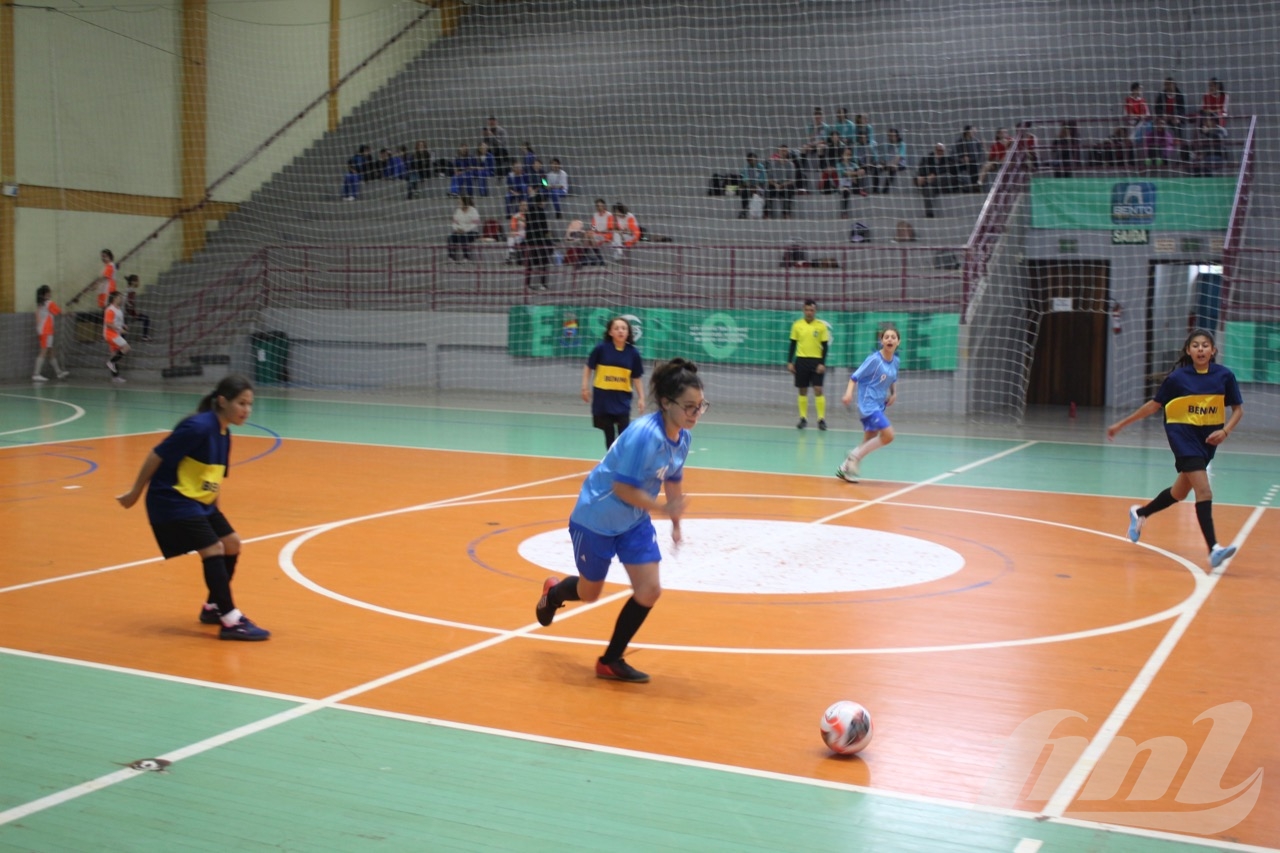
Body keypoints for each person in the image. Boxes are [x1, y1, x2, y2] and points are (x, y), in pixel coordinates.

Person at [535, 358, 706, 683]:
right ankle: (554, 593)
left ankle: (610, 660)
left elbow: (672, 476)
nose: (695, 414)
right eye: (689, 407)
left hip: (633, 520)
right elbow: (623, 487)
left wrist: (676, 521)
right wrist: (661, 511)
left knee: (649, 589)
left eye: (700, 406)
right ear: (667, 403)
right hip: (596, 518)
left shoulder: (682, 437)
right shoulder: (644, 435)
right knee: (590, 593)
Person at [115, 374, 270, 641]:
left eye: (250, 404)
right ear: (222, 401)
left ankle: (212, 607)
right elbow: (157, 454)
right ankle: (231, 620)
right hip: (172, 499)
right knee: (213, 548)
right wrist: (135, 493)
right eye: (242, 403)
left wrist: (215, 516)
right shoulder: (198, 427)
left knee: (231, 542)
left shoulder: (225, 434)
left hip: (200, 502)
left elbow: (213, 478)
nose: (247, 410)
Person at [1107, 329, 1243, 568]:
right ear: (1188, 351)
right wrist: (1121, 424)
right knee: (1204, 491)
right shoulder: (1178, 378)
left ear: (1213, 350)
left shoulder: (1225, 376)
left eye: (1205, 345)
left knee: (1179, 493)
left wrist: (1225, 431)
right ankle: (1213, 549)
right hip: (1182, 438)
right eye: (1195, 345)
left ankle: (1140, 514)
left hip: (1208, 440)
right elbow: (1153, 406)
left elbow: (1238, 410)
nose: (1200, 349)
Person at [836, 324, 900, 482]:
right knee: (889, 435)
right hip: (868, 404)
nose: (890, 339)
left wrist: (893, 393)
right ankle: (853, 457)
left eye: (893, 337)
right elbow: (854, 378)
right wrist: (848, 393)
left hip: (879, 405)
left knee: (869, 439)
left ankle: (844, 468)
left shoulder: (895, 361)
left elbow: (892, 378)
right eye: (886, 337)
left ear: (898, 342)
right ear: (881, 341)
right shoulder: (874, 360)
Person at [582, 316, 646, 450]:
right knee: (609, 435)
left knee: (624, 435)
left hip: (622, 398)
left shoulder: (633, 353)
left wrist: (641, 397)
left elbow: (636, 377)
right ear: (610, 332)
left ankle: (622, 462)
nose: (620, 331)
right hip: (603, 398)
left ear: (628, 332)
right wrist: (585, 387)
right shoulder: (601, 348)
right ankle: (612, 464)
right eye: (616, 328)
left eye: (624, 328)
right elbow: (589, 367)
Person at [787, 298, 830, 430]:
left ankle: (821, 419)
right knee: (802, 390)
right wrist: (790, 362)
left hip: (816, 361)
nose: (809, 312)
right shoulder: (797, 325)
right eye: (807, 310)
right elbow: (793, 344)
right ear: (803, 310)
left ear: (815, 311)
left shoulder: (821, 326)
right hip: (801, 360)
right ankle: (803, 418)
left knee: (818, 389)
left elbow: (825, 346)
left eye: (811, 310)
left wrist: (822, 363)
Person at [32, 285, 71, 382]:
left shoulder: (40, 305)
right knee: (44, 351)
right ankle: (36, 374)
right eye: (49, 292)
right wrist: (70, 313)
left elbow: (38, 317)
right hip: (46, 330)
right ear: (46, 294)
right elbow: (60, 312)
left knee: (51, 352)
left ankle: (59, 372)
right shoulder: (49, 303)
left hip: (42, 330)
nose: (51, 294)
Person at [523, 192, 554, 290]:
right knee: (543, 263)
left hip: (530, 241)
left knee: (530, 264)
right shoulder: (541, 212)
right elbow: (544, 229)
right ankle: (542, 284)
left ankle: (527, 285)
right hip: (540, 241)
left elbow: (527, 227)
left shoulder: (528, 212)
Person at [915, 142, 951, 218]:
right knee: (928, 188)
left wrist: (935, 176)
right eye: (938, 150)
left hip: (942, 182)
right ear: (935, 150)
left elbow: (949, 171)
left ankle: (927, 181)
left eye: (941, 151)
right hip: (930, 183)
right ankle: (929, 214)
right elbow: (920, 170)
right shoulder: (926, 159)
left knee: (946, 177)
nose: (940, 152)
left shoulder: (948, 160)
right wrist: (920, 177)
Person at [103, 290, 129, 382]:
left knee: (114, 354)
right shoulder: (110, 309)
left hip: (115, 333)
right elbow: (108, 323)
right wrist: (120, 329)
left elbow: (117, 321)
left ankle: (115, 377)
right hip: (110, 334)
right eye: (119, 297)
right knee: (126, 347)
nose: (121, 299)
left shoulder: (118, 309)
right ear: (114, 298)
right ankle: (110, 362)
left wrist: (123, 325)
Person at [448, 195, 480, 261]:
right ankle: (451, 257)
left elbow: (475, 224)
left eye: (460, 201)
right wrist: (457, 229)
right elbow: (454, 223)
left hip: (472, 232)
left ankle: (466, 257)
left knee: (463, 237)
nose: (458, 203)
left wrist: (464, 230)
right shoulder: (458, 210)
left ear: (465, 202)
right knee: (450, 238)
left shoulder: (473, 210)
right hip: (459, 231)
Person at [737, 152, 768, 219]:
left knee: (766, 193)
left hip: (760, 186)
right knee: (744, 192)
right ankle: (744, 211)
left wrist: (756, 186)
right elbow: (744, 179)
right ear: (748, 161)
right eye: (750, 160)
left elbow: (763, 179)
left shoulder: (761, 167)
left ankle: (765, 212)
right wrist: (748, 185)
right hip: (750, 187)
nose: (753, 161)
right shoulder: (746, 168)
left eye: (754, 160)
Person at [878, 127, 907, 193]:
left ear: (897, 136)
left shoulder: (901, 144)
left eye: (892, 136)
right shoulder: (888, 145)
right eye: (889, 136)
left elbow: (899, 157)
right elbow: (885, 157)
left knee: (893, 168)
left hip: (900, 164)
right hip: (889, 163)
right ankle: (875, 189)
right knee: (877, 168)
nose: (890, 138)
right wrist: (883, 163)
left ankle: (885, 189)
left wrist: (891, 164)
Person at [124, 274, 152, 341]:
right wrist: (133, 315)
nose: (139, 282)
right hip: (127, 314)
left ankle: (144, 336)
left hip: (130, 313)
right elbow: (128, 304)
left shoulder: (130, 290)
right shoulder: (130, 292)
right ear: (133, 282)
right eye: (138, 281)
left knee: (146, 318)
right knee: (145, 319)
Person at [587, 198, 614, 266]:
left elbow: (610, 228)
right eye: (598, 206)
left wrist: (600, 231)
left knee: (590, 237)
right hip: (597, 234)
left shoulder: (609, 215)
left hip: (607, 235)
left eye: (601, 206)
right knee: (587, 235)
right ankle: (598, 259)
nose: (599, 208)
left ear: (604, 206)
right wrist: (592, 231)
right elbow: (593, 226)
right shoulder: (595, 215)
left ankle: (598, 258)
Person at [506, 199, 527, 264]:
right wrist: (513, 232)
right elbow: (513, 227)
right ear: (519, 207)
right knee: (511, 237)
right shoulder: (516, 216)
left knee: (516, 238)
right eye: (522, 205)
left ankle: (510, 254)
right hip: (519, 233)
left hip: (528, 233)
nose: (523, 207)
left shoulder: (530, 215)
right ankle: (511, 252)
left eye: (525, 205)